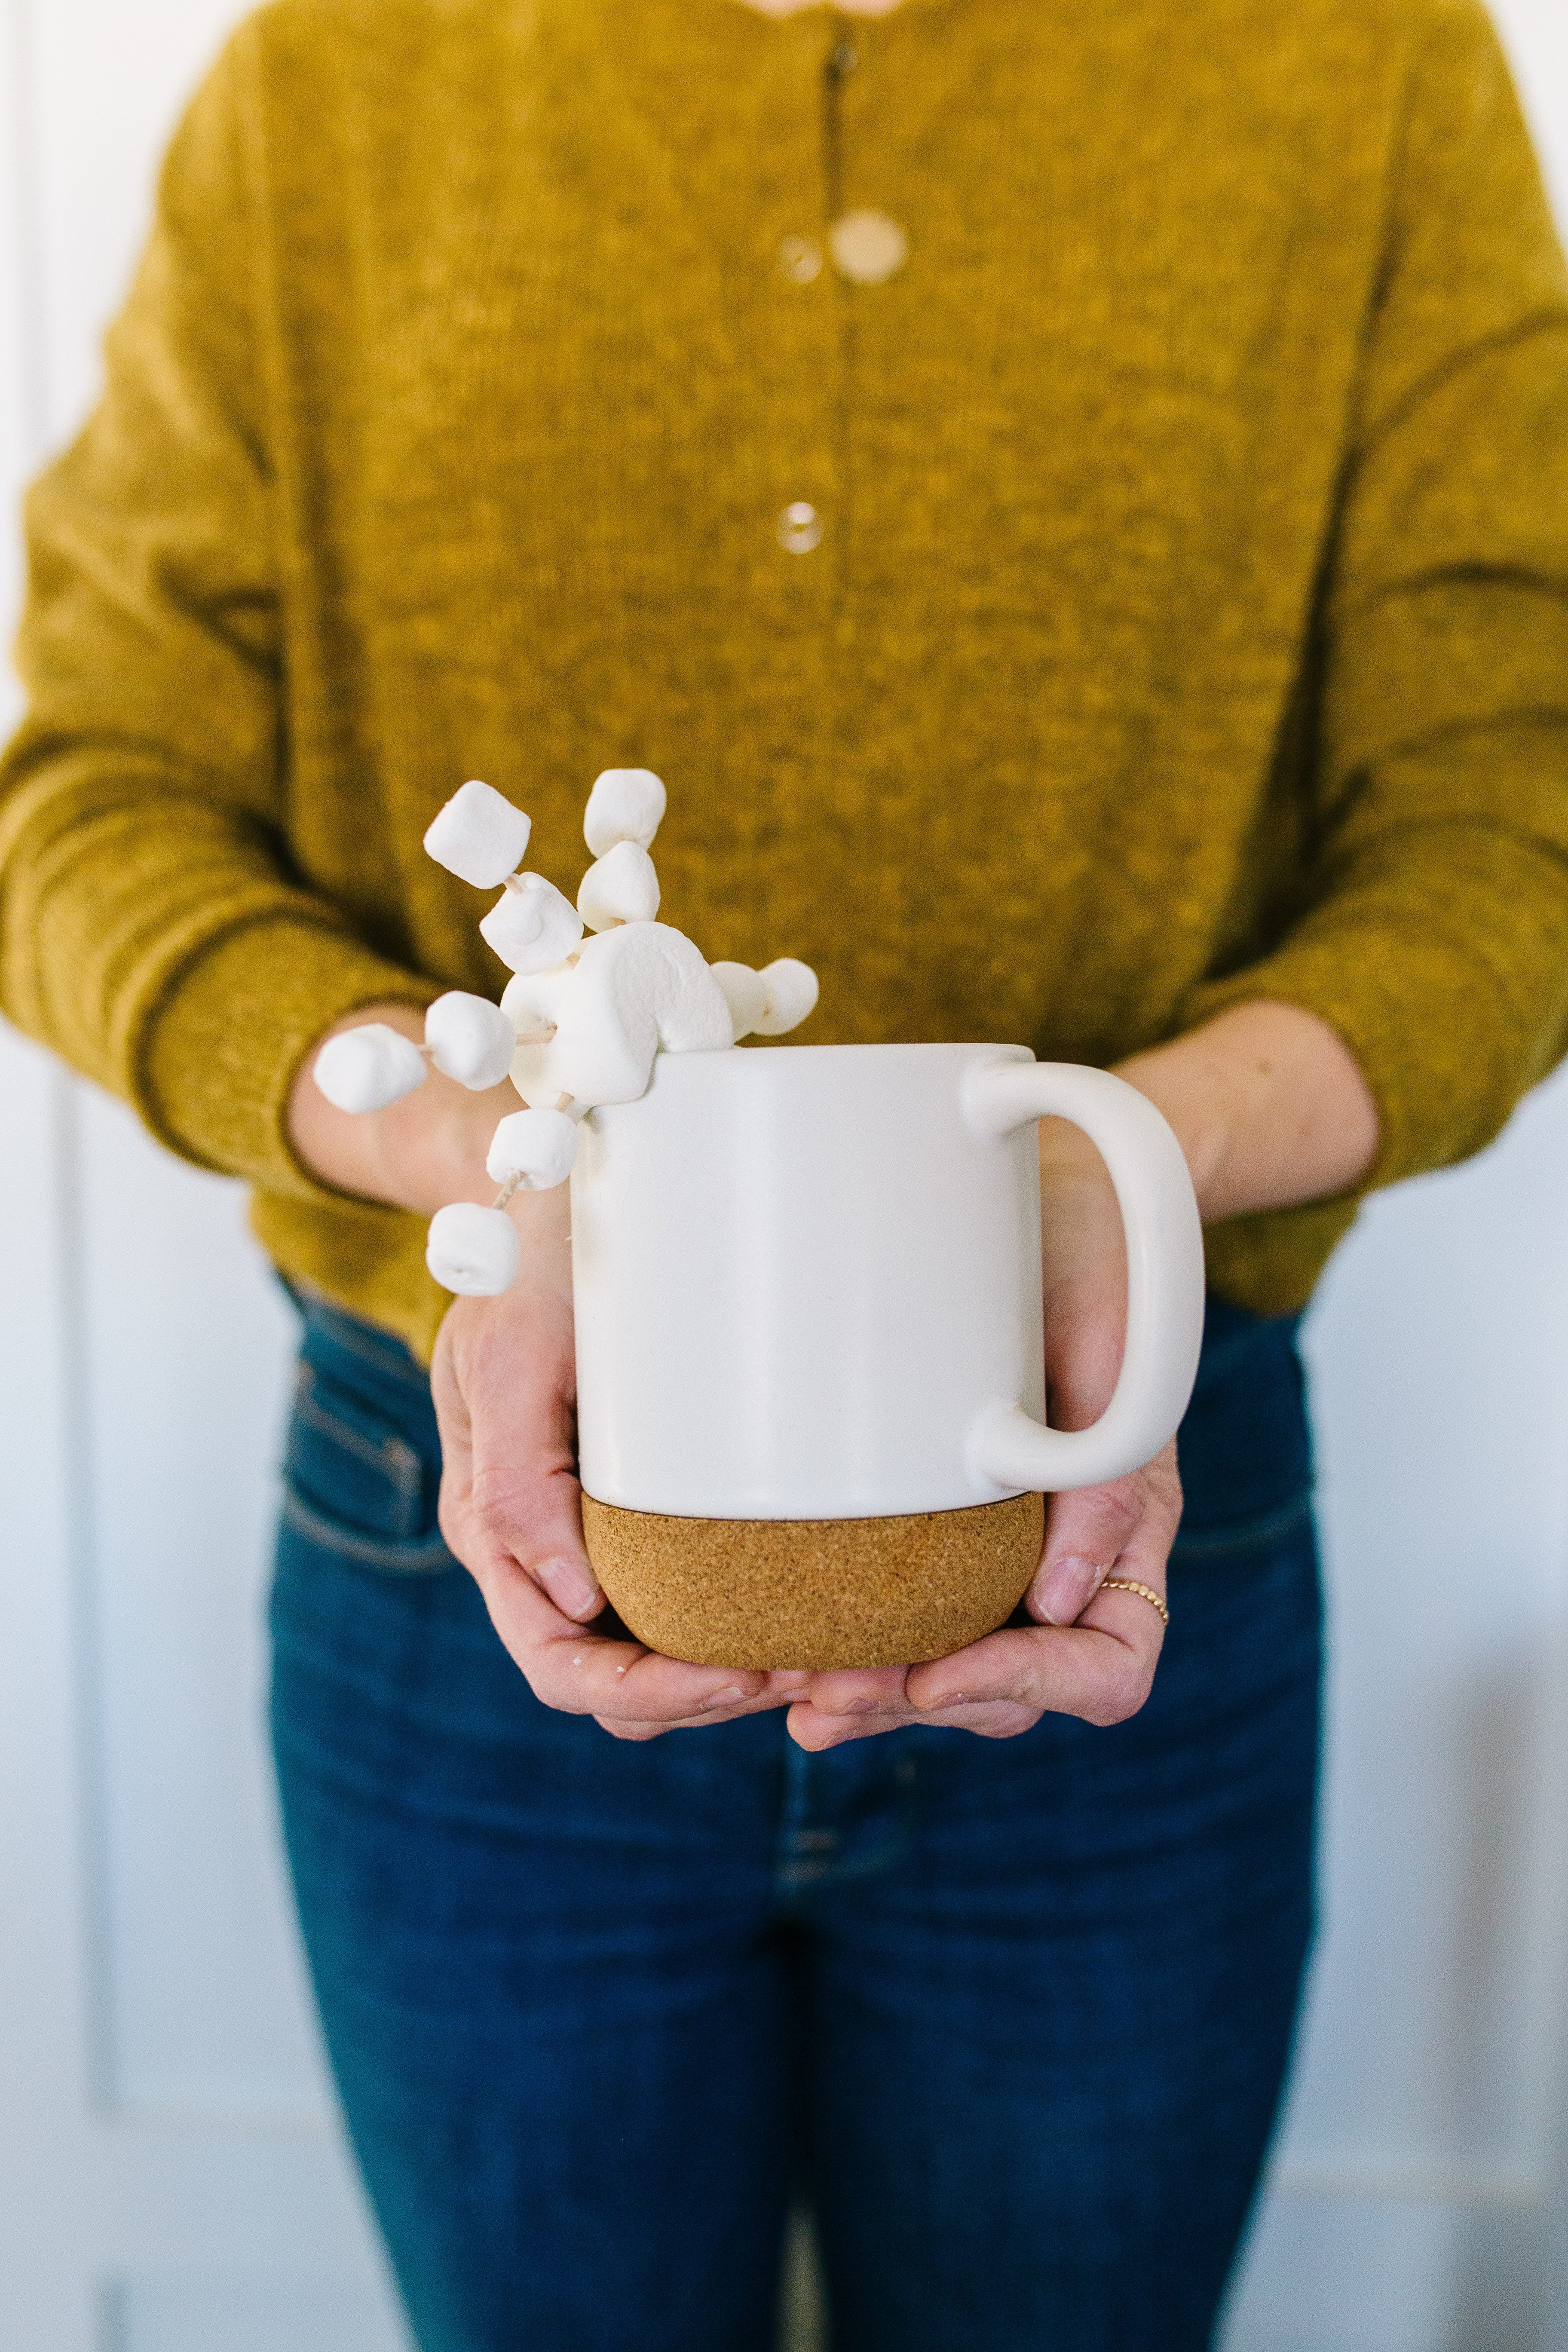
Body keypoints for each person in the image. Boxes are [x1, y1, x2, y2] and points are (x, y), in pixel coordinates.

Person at [3, 0, 1566, 2343]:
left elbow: (1510, 822)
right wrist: (478, 1162)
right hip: (469, 1546)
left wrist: (1106, 1169)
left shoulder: (1359, 66)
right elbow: (87, 805)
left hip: (1136, 1518)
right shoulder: (332, 77)